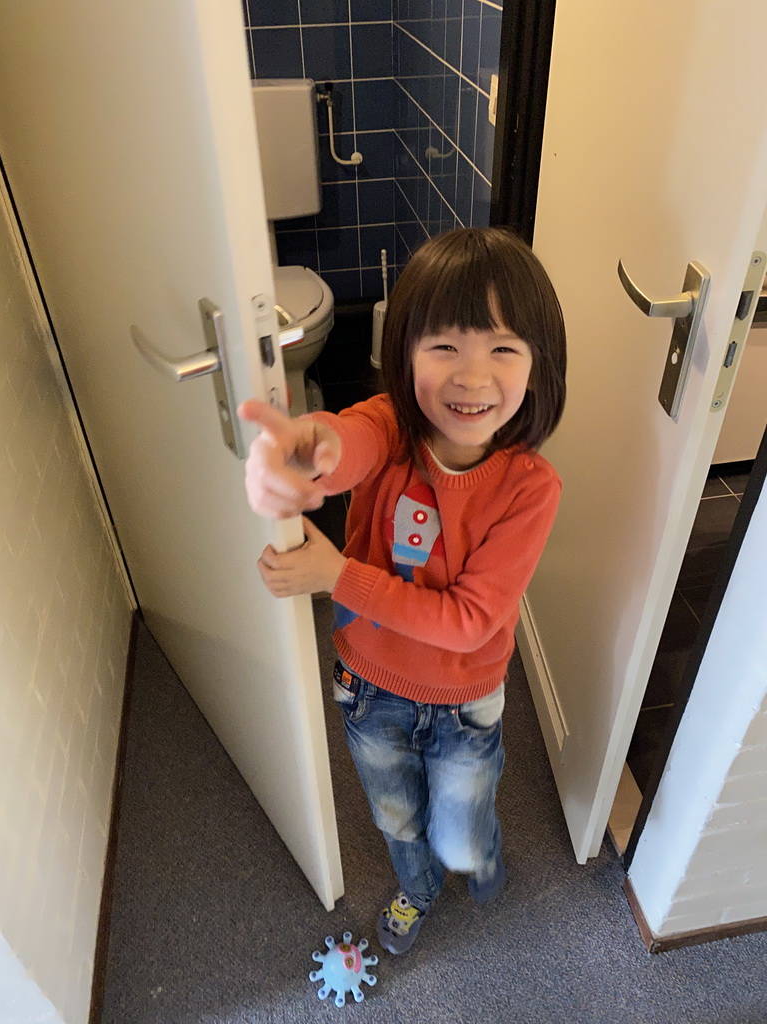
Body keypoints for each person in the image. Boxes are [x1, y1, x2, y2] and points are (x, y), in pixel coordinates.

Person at [239, 227, 567, 954]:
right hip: (372, 688)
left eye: (503, 350)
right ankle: (417, 890)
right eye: (444, 346)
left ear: (539, 369)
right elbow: (345, 440)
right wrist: (309, 454)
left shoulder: (529, 489)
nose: (472, 377)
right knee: (396, 817)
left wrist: (339, 578)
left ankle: (478, 858)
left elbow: (469, 622)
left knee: (461, 825)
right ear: (405, 352)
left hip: (465, 699)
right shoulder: (391, 424)